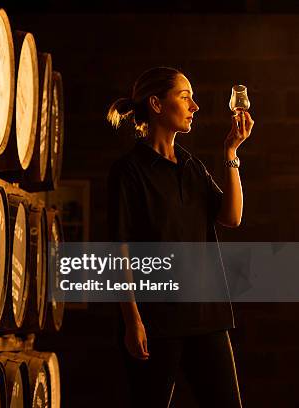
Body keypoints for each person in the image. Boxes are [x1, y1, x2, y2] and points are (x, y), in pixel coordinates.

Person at [106, 66, 253, 407]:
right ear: (157, 104)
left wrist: (231, 153)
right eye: (185, 97)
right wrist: (132, 321)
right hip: (156, 319)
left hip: (207, 316)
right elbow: (119, 250)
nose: (195, 106)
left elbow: (231, 217)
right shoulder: (129, 171)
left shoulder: (192, 166)